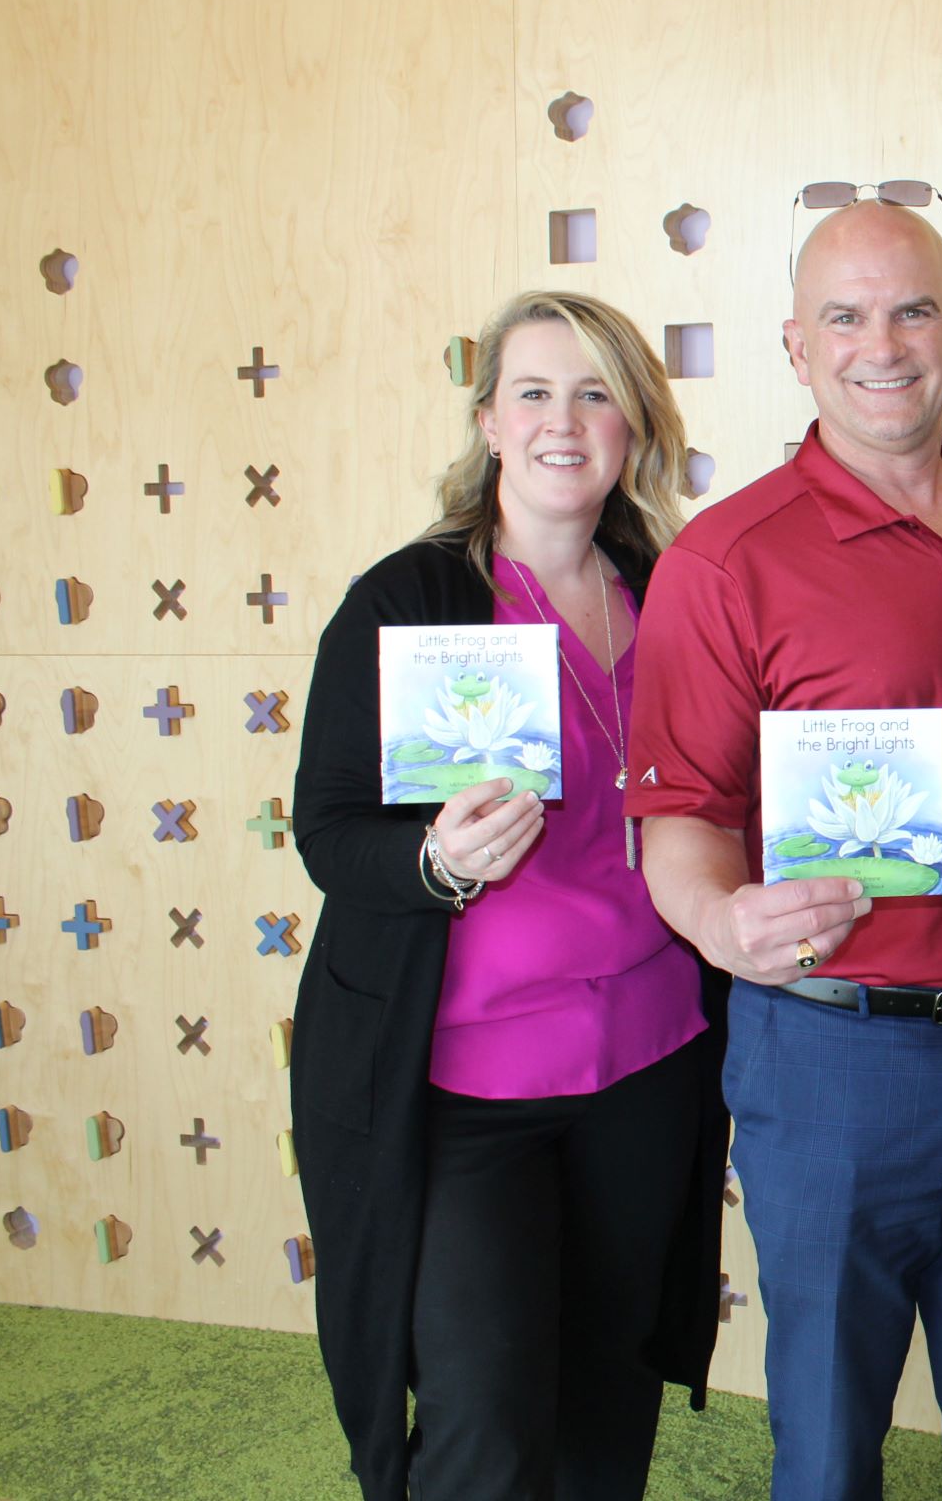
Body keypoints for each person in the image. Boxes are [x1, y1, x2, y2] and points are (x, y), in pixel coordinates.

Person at [625, 188, 942, 1500]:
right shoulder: (727, 562)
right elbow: (680, 822)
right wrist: (723, 925)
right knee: (831, 1444)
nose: (881, 344)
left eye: (911, 311)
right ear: (796, 346)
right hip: (832, 1058)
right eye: (844, 316)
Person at [290, 291, 728, 1501]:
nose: (563, 421)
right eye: (533, 391)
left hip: (648, 1067)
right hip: (465, 1089)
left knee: (605, 1410)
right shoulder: (407, 602)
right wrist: (433, 862)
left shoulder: (678, 591)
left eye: (596, 393)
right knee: (484, 1423)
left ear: (634, 426)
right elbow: (327, 828)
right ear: (487, 421)